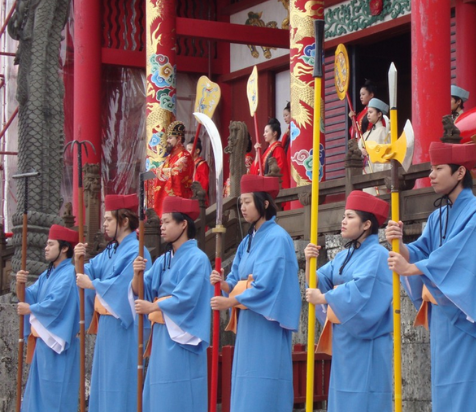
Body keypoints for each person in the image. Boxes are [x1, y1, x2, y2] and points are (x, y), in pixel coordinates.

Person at [385, 141, 476, 411]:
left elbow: (458, 256)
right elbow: (421, 252)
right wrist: (401, 245)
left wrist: (412, 269)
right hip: (442, 320)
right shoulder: (438, 216)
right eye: (431, 168)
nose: (431, 175)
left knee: (468, 391)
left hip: (465, 317)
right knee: (444, 393)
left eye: (438, 168)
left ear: (460, 172)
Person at [209, 175, 300, 412]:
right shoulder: (248, 240)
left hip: (266, 321)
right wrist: (223, 283)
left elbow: (266, 285)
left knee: (264, 383)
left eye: (248, 202)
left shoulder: (278, 238)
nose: (243, 208)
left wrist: (231, 299)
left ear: (265, 203)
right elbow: (236, 276)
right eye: (241, 203)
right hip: (249, 319)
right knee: (245, 382)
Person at [304, 190, 393, 411]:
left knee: (365, 399)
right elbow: (319, 280)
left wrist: (324, 297)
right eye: (344, 216)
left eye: (350, 216)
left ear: (366, 224)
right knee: (342, 399)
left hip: (367, 340)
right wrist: (309, 262)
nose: (343, 222)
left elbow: (361, 290)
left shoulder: (378, 254)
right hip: (344, 340)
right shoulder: (343, 256)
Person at [131, 196, 212, 412]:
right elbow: (142, 291)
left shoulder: (198, 259)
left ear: (183, 224)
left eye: (167, 222)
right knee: (159, 394)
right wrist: (136, 273)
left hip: (182, 336)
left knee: (181, 394)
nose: (162, 227)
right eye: (161, 222)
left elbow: (187, 299)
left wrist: (154, 307)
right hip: (161, 335)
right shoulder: (163, 260)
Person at [74, 194, 152, 412]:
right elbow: (87, 273)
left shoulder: (138, 250)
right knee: (103, 382)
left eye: (109, 219)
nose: (105, 224)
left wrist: (93, 285)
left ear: (124, 221)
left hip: (124, 327)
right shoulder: (110, 251)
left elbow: (124, 285)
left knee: (120, 383)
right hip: (107, 328)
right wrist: (78, 259)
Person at [16, 225, 80, 412]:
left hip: (58, 342)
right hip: (44, 342)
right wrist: (21, 285)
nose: (46, 248)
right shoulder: (48, 274)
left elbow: (56, 303)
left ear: (64, 248)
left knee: (55, 396)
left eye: (50, 244)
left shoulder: (69, 274)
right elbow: (29, 295)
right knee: (38, 394)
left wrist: (31, 309)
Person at [153, 120, 195, 217]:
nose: (167, 141)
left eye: (170, 138)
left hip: (178, 200)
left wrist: (159, 171)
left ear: (179, 138)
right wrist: (156, 171)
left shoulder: (185, 156)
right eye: (167, 138)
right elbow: (159, 170)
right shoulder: (170, 157)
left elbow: (175, 173)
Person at [357, 98, 391, 194]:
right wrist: (361, 151)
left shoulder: (384, 132)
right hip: (366, 173)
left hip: (377, 175)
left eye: (371, 112)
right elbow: (359, 146)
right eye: (368, 112)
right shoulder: (366, 135)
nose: (368, 115)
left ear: (379, 114)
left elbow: (386, 156)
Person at [250, 118, 290, 190]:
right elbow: (254, 171)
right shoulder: (268, 151)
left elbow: (278, 171)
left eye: (266, 132)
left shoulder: (278, 149)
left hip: (275, 188)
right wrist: (257, 153)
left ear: (274, 133)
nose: (264, 134)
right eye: (264, 132)